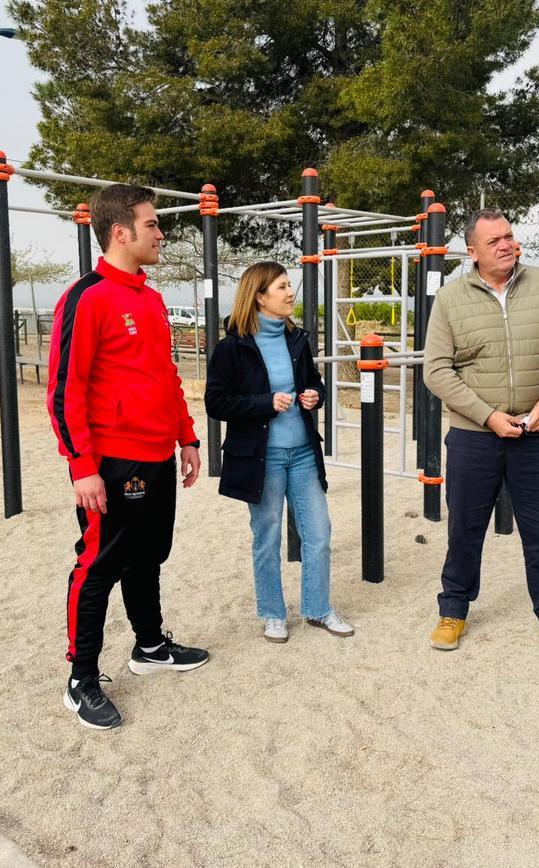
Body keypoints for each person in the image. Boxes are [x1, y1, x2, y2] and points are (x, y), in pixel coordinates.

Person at [47, 183, 209, 731]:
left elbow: (164, 376)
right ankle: (81, 680)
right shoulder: (87, 297)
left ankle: (150, 646)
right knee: (98, 566)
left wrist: (186, 438)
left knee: (148, 556)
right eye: (152, 224)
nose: (161, 233)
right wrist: (82, 466)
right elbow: (64, 390)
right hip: (112, 462)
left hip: (157, 454)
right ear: (121, 232)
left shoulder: (150, 298)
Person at [423, 208, 539, 653]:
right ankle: (453, 610)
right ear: (472, 251)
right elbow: (436, 371)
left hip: (538, 435)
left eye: (509, 236)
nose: (506, 245)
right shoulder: (450, 298)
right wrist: (487, 416)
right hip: (475, 437)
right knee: (465, 529)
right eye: (494, 241)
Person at [204, 261, 353, 644]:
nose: (290, 293)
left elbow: (315, 382)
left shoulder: (297, 339)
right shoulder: (232, 348)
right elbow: (216, 403)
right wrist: (265, 403)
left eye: (289, 286)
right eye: (282, 287)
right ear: (259, 296)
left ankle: (318, 609)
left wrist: (315, 395)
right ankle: (273, 614)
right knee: (267, 538)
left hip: (303, 453)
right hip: (262, 459)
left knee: (318, 533)